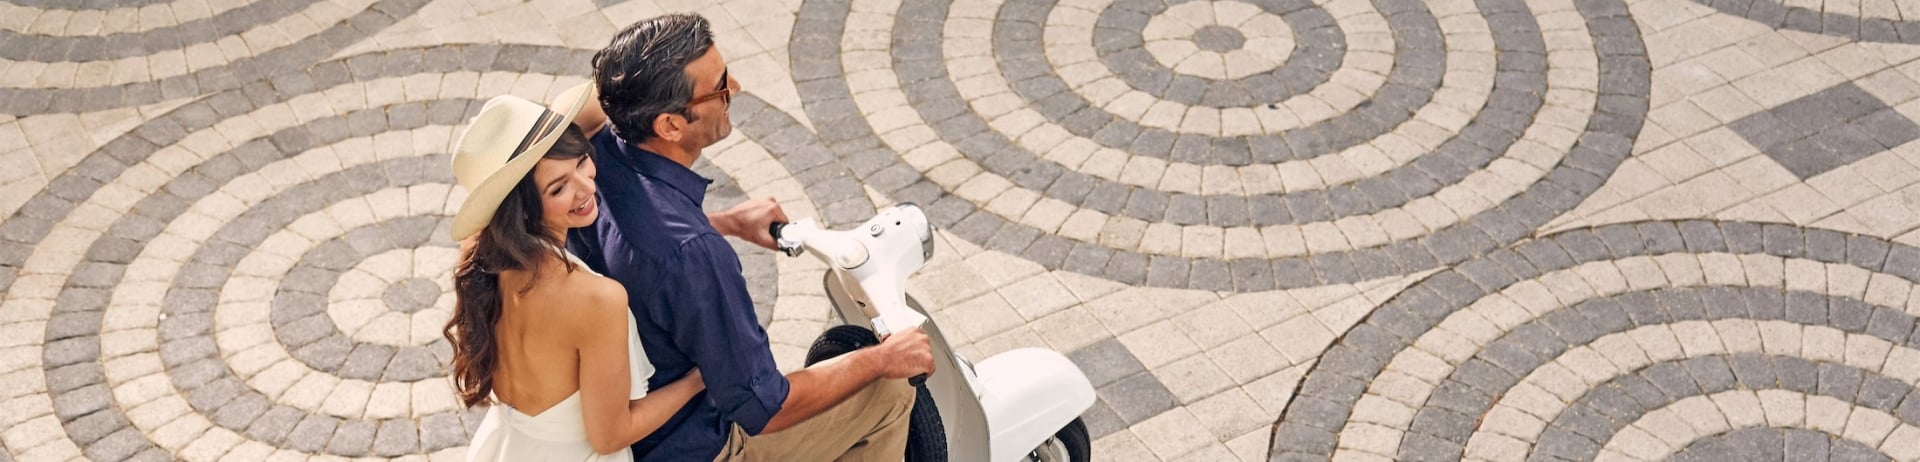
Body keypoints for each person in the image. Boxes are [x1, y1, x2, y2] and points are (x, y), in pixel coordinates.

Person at [565, 13, 937, 461]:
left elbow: (640, 247)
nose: (735, 89)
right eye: (720, 87)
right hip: (700, 446)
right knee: (890, 392)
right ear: (669, 126)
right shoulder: (696, 257)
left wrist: (723, 222)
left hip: (627, 417)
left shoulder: (595, 155)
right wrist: (884, 359)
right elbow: (766, 407)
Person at [445, 84, 708, 461]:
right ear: (522, 208)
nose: (587, 187)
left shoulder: (479, 253)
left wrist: (542, 135)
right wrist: (697, 381)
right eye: (558, 188)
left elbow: (583, 104)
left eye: (582, 161)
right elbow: (610, 435)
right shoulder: (596, 299)